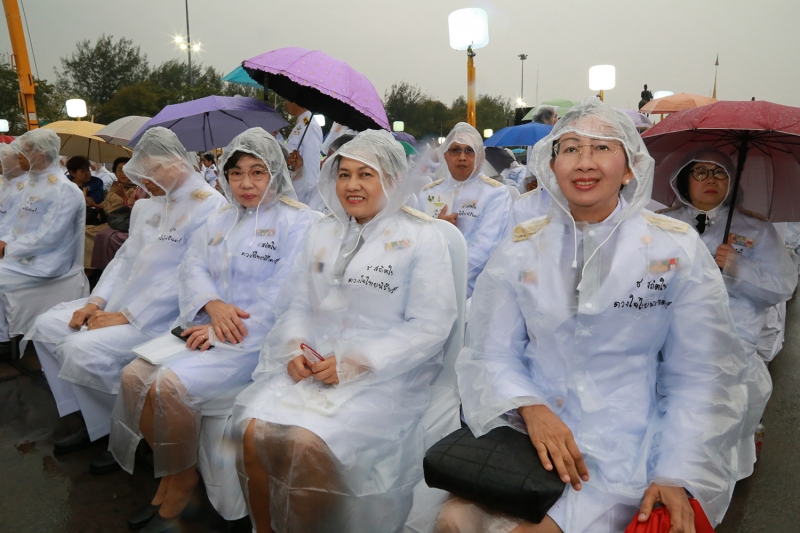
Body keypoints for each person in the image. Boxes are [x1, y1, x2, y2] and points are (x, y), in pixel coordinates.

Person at [438, 99, 748, 533]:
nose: (584, 162)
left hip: (626, 447)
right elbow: (490, 352)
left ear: (628, 168)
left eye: (602, 148)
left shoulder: (671, 250)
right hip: (530, 438)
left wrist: (676, 472)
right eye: (570, 148)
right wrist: (529, 406)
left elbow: (702, 375)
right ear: (551, 166)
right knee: (452, 521)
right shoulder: (522, 247)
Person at [233, 130, 457, 533]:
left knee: (306, 442)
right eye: (344, 174)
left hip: (385, 375)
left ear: (391, 178)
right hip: (316, 364)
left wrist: (357, 364)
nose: (352, 185)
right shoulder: (322, 231)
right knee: (252, 431)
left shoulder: (422, 237)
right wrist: (292, 349)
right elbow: (299, 304)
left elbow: (430, 326)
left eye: (366, 174)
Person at [108, 128, 319, 531]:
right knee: (133, 376)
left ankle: (182, 481)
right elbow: (192, 265)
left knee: (168, 385)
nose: (246, 183)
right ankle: (177, 472)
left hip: (255, 341)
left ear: (275, 172)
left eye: (258, 172)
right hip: (208, 324)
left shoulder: (301, 222)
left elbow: (288, 292)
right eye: (236, 173)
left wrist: (226, 326)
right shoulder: (221, 217)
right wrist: (212, 306)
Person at [24, 127, 228, 459]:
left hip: (161, 315)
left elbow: (190, 274)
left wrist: (126, 316)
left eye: (153, 170)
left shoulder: (210, 205)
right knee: (47, 327)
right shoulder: (148, 206)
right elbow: (123, 260)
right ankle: (95, 420)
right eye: (143, 171)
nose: (145, 180)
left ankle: (136, 429)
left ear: (177, 162)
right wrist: (95, 302)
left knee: (80, 350)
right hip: (123, 302)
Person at [658, 149, 797, 480]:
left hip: (734, 349)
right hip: (673, 346)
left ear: (731, 182)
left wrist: (738, 268)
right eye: (701, 173)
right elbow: (640, 276)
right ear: (684, 180)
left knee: (726, 435)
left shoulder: (757, 230)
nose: (711, 181)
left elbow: (782, 286)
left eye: (719, 173)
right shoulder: (664, 225)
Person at [0, 129, 85, 359]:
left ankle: (3, 341)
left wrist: (8, 249)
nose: (19, 157)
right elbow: (18, 225)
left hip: (48, 262)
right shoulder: (32, 184)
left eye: (24, 152)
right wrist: (6, 242)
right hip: (24, 256)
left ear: (40, 154)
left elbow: (49, 236)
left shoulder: (64, 189)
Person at [419, 122, 512, 297]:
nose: (462, 157)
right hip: (428, 282)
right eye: (455, 150)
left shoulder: (495, 193)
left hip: (474, 286)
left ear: (479, 157)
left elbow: (486, 247)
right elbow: (416, 241)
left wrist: (446, 275)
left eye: (469, 151)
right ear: (445, 155)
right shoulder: (429, 193)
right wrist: (438, 229)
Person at [84, 157, 137, 267]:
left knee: (86, 232)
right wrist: (93, 203)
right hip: (105, 220)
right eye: (120, 170)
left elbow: (134, 208)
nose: (123, 173)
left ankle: (91, 268)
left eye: (127, 170)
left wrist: (124, 196)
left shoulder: (136, 189)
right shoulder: (114, 186)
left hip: (118, 223)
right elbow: (105, 205)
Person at [284, 100, 323, 206]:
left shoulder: (310, 126)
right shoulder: (301, 124)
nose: (285, 104)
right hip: (295, 187)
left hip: (303, 195)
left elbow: (312, 166)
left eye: (288, 100)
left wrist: (308, 198)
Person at [0, 142, 28, 236]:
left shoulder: (24, 188)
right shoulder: (6, 184)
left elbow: (10, 224)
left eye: (2, 161)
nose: (0, 164)